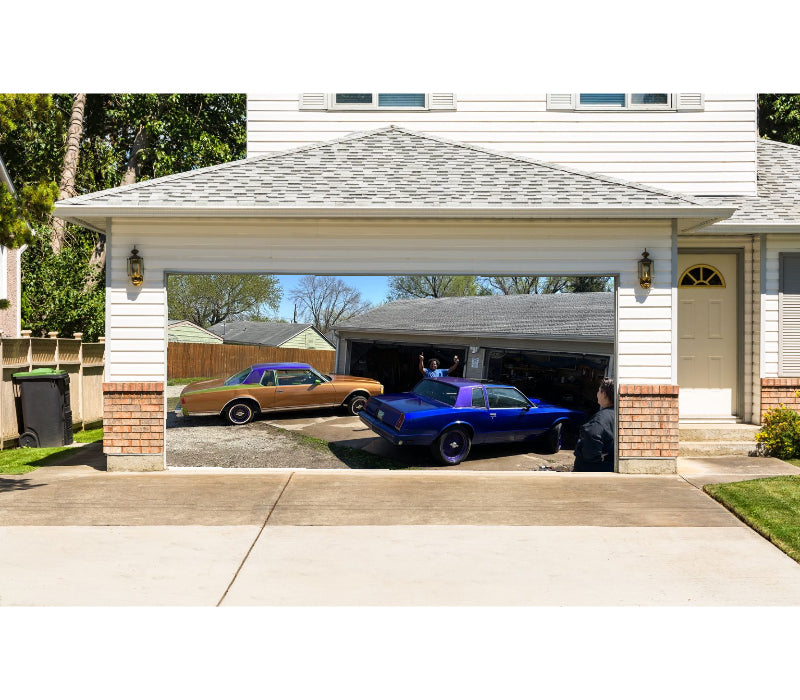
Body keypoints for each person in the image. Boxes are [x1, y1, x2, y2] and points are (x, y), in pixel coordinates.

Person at [573, 378, 615, 472]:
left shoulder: (601, 418)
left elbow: (592, 434)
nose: (597, 394)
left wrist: (592, 458)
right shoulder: (618, 414)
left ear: (604, 394)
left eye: (599, 391)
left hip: (589, 470)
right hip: (610, 467)